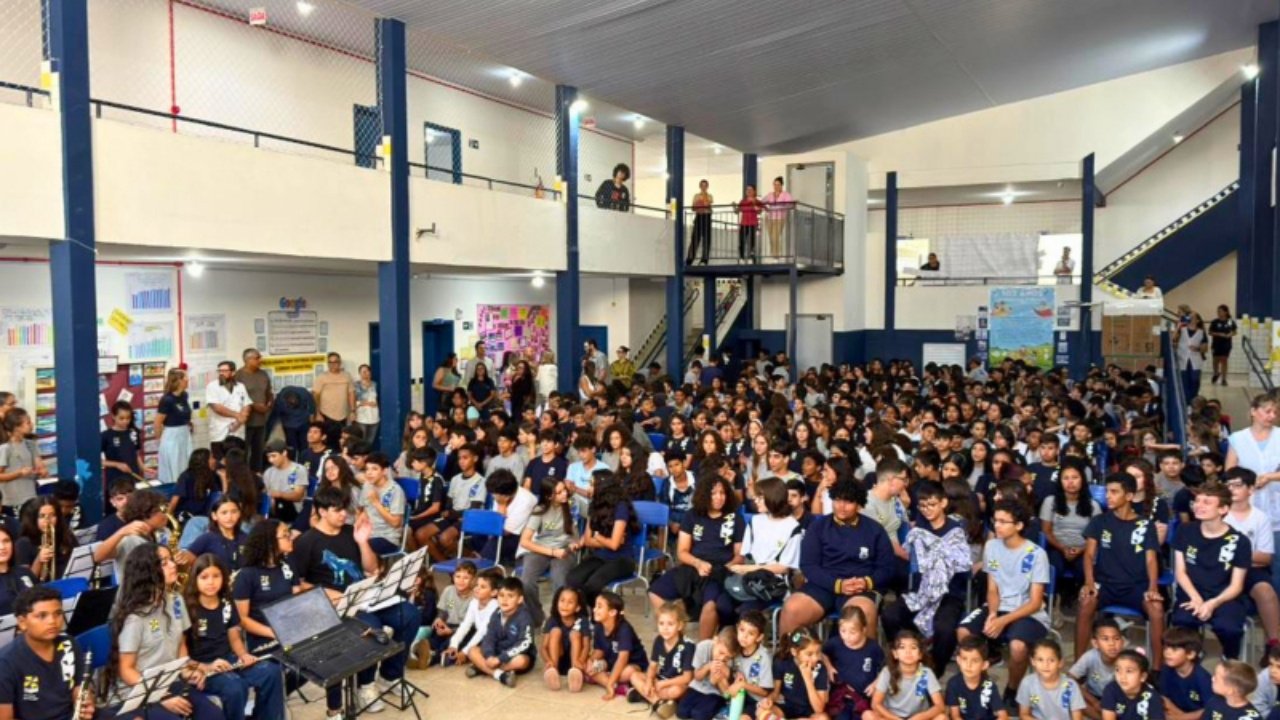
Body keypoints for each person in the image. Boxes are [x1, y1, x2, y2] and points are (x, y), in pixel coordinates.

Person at [290, 486, 422, 716]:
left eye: (345, 510)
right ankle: (365, 685)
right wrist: (328, 592)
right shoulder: (306, 541)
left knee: (410, 615)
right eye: (337, 510)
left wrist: (362, 542)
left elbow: (371, 568)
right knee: (373, 628)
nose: (343, 515)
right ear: (321, 511)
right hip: (338, 603)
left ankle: (389, 675)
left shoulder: (350, 531)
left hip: (367, 595)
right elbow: (298, 584)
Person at [107, 542, 222, 720]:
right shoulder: (134, 618)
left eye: (171, 560)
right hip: (137, 693)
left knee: (214, 716)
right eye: (164, 562)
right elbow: (127, 670)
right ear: (147, 571)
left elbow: (181, 646)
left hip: (169, 682)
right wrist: (160, 696)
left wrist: (187, 670)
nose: (173, 565)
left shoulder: (176, 600)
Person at [778, 477, 895, 635]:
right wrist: (837, 585)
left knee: (861, 613)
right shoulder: (818, 527)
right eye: (837, 500)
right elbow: (808, 565)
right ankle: (788, 657)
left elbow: (887, 568)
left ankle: (864, 659)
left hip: (860, 588)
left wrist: (867, 582)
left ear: (859, 504)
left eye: (848, 502)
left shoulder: (875, 530)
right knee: (792, 608)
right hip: (823, 585)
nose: (842, 507)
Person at [957, 499, 1050, 696]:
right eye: (995, 520)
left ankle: (1012, 691)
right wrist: (992, 613)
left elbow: (1035, 602)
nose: (996, 525)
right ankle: (980, 687)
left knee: (1018, 647)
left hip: (1028, 612)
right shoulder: (991, 546)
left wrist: (1003, 620)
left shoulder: (1036, 554)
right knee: (964, 632)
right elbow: (992, 589)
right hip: (998, 606)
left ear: (1018, 526)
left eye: (1002, 521)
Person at [880, 481, 970, 674]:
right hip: (920, 592)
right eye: (922, 506)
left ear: (943, 503)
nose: (927, 510)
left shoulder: (956, 531)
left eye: (932, 505)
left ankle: (934, 670)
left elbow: (964, 564)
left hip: (949, 594)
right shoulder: (918, 530)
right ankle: (905, 657)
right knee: (890, 615)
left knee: (945, 629)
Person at [183, 553, 285, 720]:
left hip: (229, 660)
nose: (211, 582)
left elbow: (234, 637)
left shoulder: (226, 602)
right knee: (235, 687)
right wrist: (205, 666)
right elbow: (181, 654)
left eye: (216, 576)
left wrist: (243, 655)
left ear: (224, 577)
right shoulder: (188, 607)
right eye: (204, 577)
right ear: (195, 579)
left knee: (271, 673)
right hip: (203, 667)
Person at [1077, 472, 1165, 662]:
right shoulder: (1099, 521)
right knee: (1086, 602)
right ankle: (1079, 665)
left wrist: (1152, 587)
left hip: (1136, 586)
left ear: (1129, 496)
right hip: (1106, 585)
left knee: (1157, 609)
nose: (1108, 496)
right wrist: (1089, 582)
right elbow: (1089, 555)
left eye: (1114, 492)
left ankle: (1158, 669)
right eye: (1107, 491)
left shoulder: (1145, 524)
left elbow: (1151, 560)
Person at [648, 473, 742, 639]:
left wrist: (726, 568)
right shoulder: (692, 515)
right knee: (655, 591)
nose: (719, 497)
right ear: (705, 495)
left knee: (710, 606)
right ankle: (677, 634)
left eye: (722, 493)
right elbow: (682, 552)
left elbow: (739, 556)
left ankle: (702, 649)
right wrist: (698, 563)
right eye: (714, 493)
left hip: (719, 571)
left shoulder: (735, 518)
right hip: (693, 566)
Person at [1170, 483, 1250, 659]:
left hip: (1225, 597)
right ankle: (1192, 655)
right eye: (1197, 501)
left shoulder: (1239, 541)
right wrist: (1196, 598)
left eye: (1207, 502)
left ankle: (1229, 658)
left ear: (1223, 509)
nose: (1199, 505)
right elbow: (1180, 572)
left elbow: (1236, 585)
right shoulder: (1185, 530)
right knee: (1183, 621)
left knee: (1228, 628)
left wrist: (1213, 603)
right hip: (1192, 593)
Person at [0, 586, 95, 720]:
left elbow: (79, 685)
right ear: (22, 622)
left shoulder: (68, 643)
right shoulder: (6, 662)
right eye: (42, 616)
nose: (52, 621)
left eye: (58, 613)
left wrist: (85, 703)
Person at [565, 473, 637, 606]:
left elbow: (614, 546)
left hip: (622, 559)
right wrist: (606, 541)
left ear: (603, 487)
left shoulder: (621, 507)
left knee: (593, 584)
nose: (588, 488)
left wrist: (597, 536)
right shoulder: (594, 505)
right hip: (599, 556)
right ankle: (584, 614)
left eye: (592, 484)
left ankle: (596, 615)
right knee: (572, 579)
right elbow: (587, 540)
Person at [232, 518, 299, 654]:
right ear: (269, 542)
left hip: (290, 631)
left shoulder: (287, 565)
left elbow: (296, 600)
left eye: (289, 533)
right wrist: (273, 633)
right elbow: (242, 619)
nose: (290, 538)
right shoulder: (247, 575)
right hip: (265, 638)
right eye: (285, 535)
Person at [519, 476, 578, 626]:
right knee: (526, 581)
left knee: (560, 580)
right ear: (549, 496)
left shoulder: (571, 505)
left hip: (564, 550)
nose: (564, 493)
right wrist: (552, 552)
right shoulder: (540, 510)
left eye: (564, 490)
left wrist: (574, 543)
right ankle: (537, 617)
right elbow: (525, 541)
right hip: (542, 549)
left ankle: (559, 619)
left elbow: (576, 534)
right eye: (559, 492)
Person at [465, 576, 534, 687]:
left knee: (522, 661)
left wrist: (500, 659)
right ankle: (499, 675)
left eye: (510, 596)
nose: (504, 600)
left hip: (515, 655)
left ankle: (482, 668)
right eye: (501, 595)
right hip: (496, 653)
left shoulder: (524, 617)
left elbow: (524, 643)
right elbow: (489, 637)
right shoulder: (496, 614)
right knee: (472, 650)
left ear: (520, 599)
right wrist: (489, 656)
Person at [628, 601, 695, 713]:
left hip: (676, 683)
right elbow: (653, 666)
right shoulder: (659, 640)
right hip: (660, 679)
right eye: (661, 623)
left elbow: (687, 678)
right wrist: (649, 681)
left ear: (680, 625)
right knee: (634, 676)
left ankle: (645, 695)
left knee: (676, 691)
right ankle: (657, 702)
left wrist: (663, 684)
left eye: (670, 624)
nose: (665, 628)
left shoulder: (688, 646)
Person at [867, 628, 945, 720]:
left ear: (920, 654)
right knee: (868, 715)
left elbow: (940, 706)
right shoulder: (887, 671)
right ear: (895, 654)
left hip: (918, 718)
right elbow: (875, 704)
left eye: (913, 647)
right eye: (902, 647)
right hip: (892, 717)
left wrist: (920, 717)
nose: (908, 652)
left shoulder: (925, 673)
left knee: (942, 717)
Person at [586, 590, 648, 700]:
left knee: (629, 672)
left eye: (599, 607)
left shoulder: (624, 629)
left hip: (632, 664)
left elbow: (622, 659)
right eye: (595, 606)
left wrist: (609, 683)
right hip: (610, 663)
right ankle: (618, 686)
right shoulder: (599, 626)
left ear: (612, 612)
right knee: (587, 667)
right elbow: (599, 650)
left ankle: (608, 682)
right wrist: (591, 661)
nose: (594, 609)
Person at [760, 628, 829, 720]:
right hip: (785, 708)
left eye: (817, 652)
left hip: (808, 712)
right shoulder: (782, 662)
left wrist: (808, 679)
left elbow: (819, 709)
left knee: (823, 718)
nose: (815, 658)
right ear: (794, 652)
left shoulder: (820, 668)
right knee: (761, 711)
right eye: (809, 654)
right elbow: (776, 693)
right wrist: (767, 701)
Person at [680, 627, 741, 720]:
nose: (722, 659)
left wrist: (721, 678)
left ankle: (718, 709)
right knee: (682, 712)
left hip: (715, 693)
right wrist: (708, 667)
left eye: (727, 657)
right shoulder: (703, 646)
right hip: (697, 687)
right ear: (715, 640)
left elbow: (727, 692)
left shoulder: (731, 661)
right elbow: (697, 676)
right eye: (721, 653)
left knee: (699, 715)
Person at [1070, 619, 1127, 720]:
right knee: (1071, 695)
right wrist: (1093, 701)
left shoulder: (1127, 660)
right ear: (1095, 643)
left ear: (1122, 642)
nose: (1112, 644)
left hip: (1118, 699)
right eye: (1105, 639)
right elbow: (1070, 679)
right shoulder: (1090, 657)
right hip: (1094, 696)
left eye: (1116, 638)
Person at [1017, 639, 1086, 720]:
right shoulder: (1027, 683)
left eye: (1051, 660)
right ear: (1033, 661)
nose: (1045, 665)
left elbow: (1077, 717)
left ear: (1060, 663)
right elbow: (1023, 714)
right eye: (1040, 660)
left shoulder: (1070, 685)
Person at [541, 586, 590, 692]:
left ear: (577, 607)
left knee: (574, 634)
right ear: (557, 602)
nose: (565, 605)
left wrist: (580, 660)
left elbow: (586, 646)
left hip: (576, 661)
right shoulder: (552, 620)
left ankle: (575, 673)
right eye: (562, 600)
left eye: (570, 602)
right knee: (555, 631)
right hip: (558, 659)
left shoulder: (582, 620)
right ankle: (553, 670)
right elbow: (544, 647)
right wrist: (548, 661)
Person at [946, 637, 1008, 720]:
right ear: (958, 660)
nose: (968, 665)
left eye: (975, 661)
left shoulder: (989, 686)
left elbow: (1003, 715)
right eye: (964, 659)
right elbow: (955, 716)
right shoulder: (953, 684)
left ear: (984, 665)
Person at [154, 368, 195, 489]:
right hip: (171, 435)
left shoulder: (184, 395)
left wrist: (188, 423)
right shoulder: (167, 400)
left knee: (186, 464)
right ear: (178, 381)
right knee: (174, 466)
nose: (188, 380)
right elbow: (157, 423)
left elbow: (183, 413)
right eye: (185, 377)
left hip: (184, 434)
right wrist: (160, 442)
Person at [1158, 628, 1212, 720]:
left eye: (1174, 649)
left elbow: (1210, 710)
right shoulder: (1166, 670)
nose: (1167, 652)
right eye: (1166, 648)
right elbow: (1165, 699)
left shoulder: (1202, 678)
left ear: (1190, 654)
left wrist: (1182, 717)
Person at [358, 451, 406, 554]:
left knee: (361, 549)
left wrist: (376, 503)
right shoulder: (367, 485)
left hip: (387, 537)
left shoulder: (395, 491)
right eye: (367, 469)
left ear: (384, 471)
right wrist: (359, 522)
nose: (369, 473)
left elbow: (396, 523)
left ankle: (376, 569)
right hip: (368, 533)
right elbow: (364, 510)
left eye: (374, 469)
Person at [233, 348, 273, 472]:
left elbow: (268, 392)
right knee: (243, 451)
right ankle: (243, 477)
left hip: (262, 420)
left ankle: (257, 475)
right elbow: (236, 398)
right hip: (245, 421)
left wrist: (270, 401)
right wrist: (255, 406)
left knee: (259, 451)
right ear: (248, 360)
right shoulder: (238, 376)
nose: (260, 360)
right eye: (257, 358)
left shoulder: (263, 374)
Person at [0, 409, 44, 516]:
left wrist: (41, 470)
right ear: (17, 427)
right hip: (13, 501)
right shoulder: (5, 449)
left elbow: (39, 465)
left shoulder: (31, 444)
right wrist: (19, 473)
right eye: (28, 423)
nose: (31, 425)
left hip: (31, 497)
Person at [1099, 650, 1164, 720]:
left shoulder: (1152, 697)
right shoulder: (1111, 689)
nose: (1122, 676)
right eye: (1117, 670)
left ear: (1142, 677)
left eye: (1129, 671)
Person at [205, 360, 251, 460]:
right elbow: (217, 407)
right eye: (219, 371)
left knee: (238, 461)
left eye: (224, 371)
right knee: (220, 462)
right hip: (219, 431)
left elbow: (246, 404)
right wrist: (237, 416)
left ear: (233, 372)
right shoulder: (212, 386)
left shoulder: (240, 386)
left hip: (238, 431)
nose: (221, 373)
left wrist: (240, 420)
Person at [186, 497, 247, 570]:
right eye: (224, 513)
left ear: (239, 513)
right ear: (214, 516)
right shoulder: (207, 538)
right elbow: (189, 561)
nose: (229, 517)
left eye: (234, 512)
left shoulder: (246, 538)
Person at [312, 352, 356, 449]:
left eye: (335, 362)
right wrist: (317, 413)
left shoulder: (347, 376)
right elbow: (315, 395)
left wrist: (353, 411)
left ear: (340, 363)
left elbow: (351, 393)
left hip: (343, 416)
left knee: (341, 443)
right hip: (326, 415)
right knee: (327, 443)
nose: (333, 364)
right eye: (330, 362)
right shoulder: (322, 377)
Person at [261, 439, 306, 523]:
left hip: (293, 511)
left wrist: (279, 494)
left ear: (284, 453)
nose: (271, 460)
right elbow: (266, 493)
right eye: (268, 457)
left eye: (274, 456)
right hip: (273, 510)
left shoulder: (298, 470)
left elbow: (298, 496)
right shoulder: (268, 472)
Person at [101, 400, 144, 486]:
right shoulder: (106, 435)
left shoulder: (134, 432)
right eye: (121, 418)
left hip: (134, 477)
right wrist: (117, 464)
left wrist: (143, 467)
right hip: (115, 480)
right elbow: (98, 461)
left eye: (128, 418)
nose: (125, 421)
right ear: (113, 416)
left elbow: (135, 454)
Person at [1176, 313, 1208, 401]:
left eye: (1192, 317)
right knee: (1184, 381)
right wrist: (1178, 326)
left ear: (1197, 320)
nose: (1189, 319)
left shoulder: (1201, 332)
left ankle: (1193, 399)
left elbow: (1205, 348)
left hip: (1195, 360)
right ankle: (1186, 401)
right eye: (1188, 317)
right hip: (1182, 359)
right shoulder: (1182, 330)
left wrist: (1197, 348)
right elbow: (1173, 339)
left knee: (1195, 380)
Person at [762, 176, 794, 259]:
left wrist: (783, 206)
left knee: (775, 236)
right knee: (771, 237)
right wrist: (766, 208)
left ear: (781, 185)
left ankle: (776, 256)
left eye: (778, 184)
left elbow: (791, 204)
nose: (776, 186)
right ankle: (773, 254)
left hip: (779, 218)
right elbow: (762, 202)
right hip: (769, 218)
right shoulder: (770, 194)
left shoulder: (785, 194)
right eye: (775, 184)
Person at [735, 184, 765, 263]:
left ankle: (751, 257)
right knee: (742, 241)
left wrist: (754, 204)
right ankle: (741, 257)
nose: (749, 191)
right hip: (743, 224)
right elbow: (737, 211)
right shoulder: (743, 201)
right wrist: (734, 206)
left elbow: (760, 211)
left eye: (751, 189)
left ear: (754, 191)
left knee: (752, 241)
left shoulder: (757, 201)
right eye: (747, 189)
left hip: (752, 223)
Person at [1209, 305, 1238, 386]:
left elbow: (1235, 331)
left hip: (1226, 344)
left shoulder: (1229, 321)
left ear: (1225, 312)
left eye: (1220, 311)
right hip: (1216, 344)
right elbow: (1210, 332)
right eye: (1218, 311)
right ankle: (1216, 373)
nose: (1219, 313)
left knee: (1224, 361)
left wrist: (1230, 334)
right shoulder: (1215, 322)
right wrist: (1219, 334)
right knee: (1215, 360)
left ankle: (1224, 379)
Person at [688, 179, 714, 265]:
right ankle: (690, 259)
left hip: (706, 217)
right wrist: (700, 204)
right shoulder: (696, 196)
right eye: (702, 185)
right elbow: (693, 207)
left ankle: (704, 259)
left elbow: (709, 206)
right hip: (699, 217)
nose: (703, 187)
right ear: (700, 186)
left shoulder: (710, 196)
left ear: (707, 186)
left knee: (706, 239)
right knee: (695, 238)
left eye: (705, 185)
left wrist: (703, 203)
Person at [355, 363, 380, 445]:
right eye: (363, 371)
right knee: (361, 442)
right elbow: (353, 402)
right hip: (361, 418)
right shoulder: (356, 385)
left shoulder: (375, 384)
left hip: (374, 417)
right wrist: (366, 403)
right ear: (360, 373)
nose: (366, 373)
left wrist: (371, 403)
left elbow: (377, 400)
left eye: (368, 371)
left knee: (370, 442)